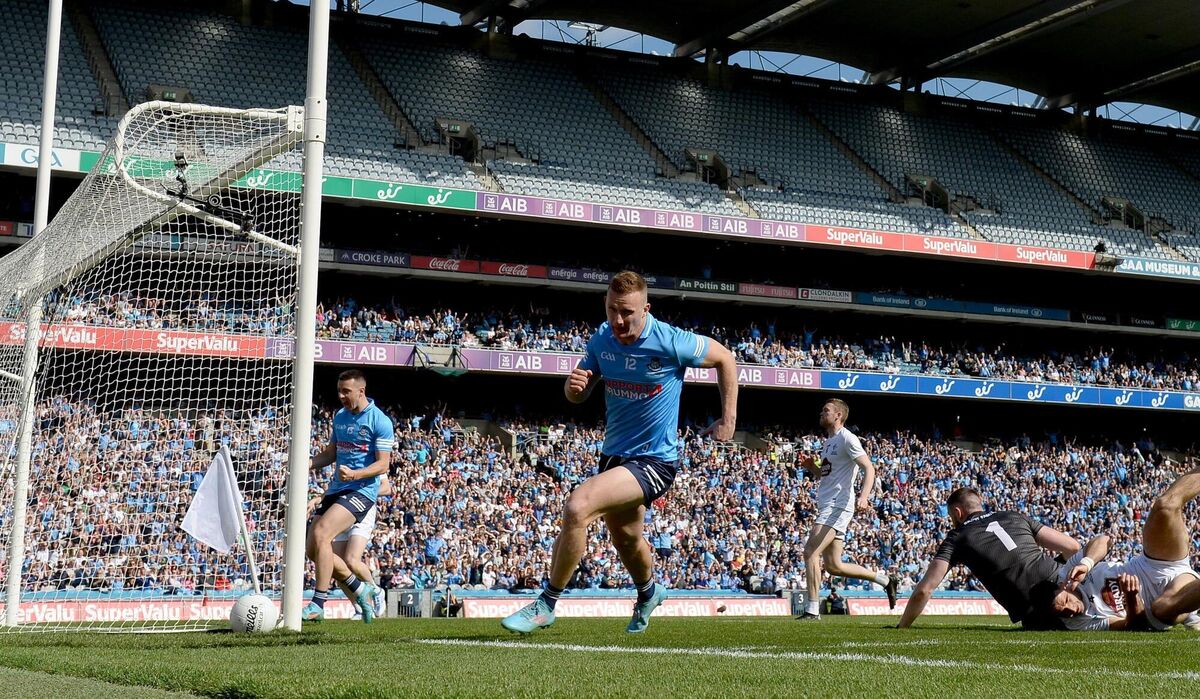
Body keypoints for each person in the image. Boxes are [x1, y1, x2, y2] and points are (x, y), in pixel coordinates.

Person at [500, 270, 738, 634]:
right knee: (625, 537)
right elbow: (577, 393)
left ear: (646, 308)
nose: (618, 320)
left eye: (627, 311)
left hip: (655, 460)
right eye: (612, 310)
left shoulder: (671, 341)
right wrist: (573, 387)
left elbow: (726, 358)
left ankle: (546, 603)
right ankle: (649, 592)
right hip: (614, 456)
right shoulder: (601, 338)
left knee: (578, 506)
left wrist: (728, 420)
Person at [897, 487, 1081, 629]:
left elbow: (924, 590)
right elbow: (1072, 547)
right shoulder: (1014, 516)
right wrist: (1057, 573)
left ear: (957, 512)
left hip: (1036, 609)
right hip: (1064, 585)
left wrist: (902, 625)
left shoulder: (957, 537)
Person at [1048, 464, 1200, 631]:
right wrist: (1131, 596)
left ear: (1062, 587)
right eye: (1064, 614)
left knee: (1165, 506)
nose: (1071, 610)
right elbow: (1135, 626)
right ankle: (1188, 605)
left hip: (1152, 563)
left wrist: (1087, 563)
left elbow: (1104, 540)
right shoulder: (1078, 622)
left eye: (1064, 602)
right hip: (1156, 606)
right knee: (1162, 607)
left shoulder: (1069, 573)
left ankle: (1190, 609)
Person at [796, 399, 899, 621]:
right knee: (834, 566)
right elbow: (825, 475)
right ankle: (886, 581)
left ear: (838, 416)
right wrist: (811, 467)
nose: (822, 412)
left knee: (810, 552)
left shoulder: (847, 438)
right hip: (827, 504)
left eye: (826, 410)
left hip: (838, 505)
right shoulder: (829, 442)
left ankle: (812, 609)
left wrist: (863, 496)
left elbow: (869, 468)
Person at [303, 369, 393, 622]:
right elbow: (331, 453)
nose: (341, 396)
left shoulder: (380, 421)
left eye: (346, 391)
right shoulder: (340, 417)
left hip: (361, 491)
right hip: (336, 489)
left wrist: (356, 474)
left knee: (322, 535)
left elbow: (383, 465)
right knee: (313, 550)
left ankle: (318, 603)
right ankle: (361, 589)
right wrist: (305, 463)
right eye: (339, 391)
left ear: (361, 391)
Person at [309, 475, 393, 620]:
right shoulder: (344, 461)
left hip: (362, 507)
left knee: (351, 560)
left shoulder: (368, 459)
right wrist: (321, 497)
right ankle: (359, 608)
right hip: (340, 508)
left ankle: (375, 590)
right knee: (337, 566)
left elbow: (386, 488)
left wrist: (363, 491)